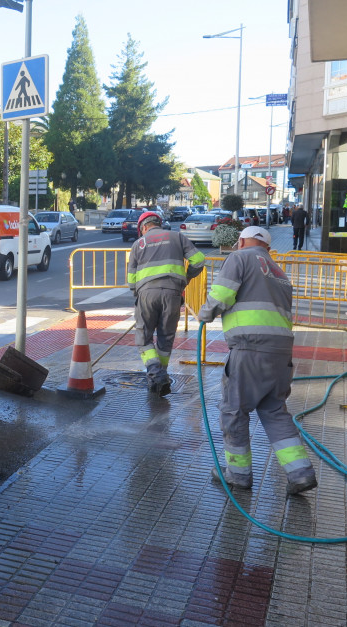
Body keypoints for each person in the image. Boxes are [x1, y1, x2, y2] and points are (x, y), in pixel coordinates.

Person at [197, 226, 317, 496]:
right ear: (269, 248)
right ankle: (300, 474)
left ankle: (238, 474)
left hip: (250, 349)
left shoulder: (239, 258)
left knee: (234, 411)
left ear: (241, 241)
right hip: (281, 353)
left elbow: (222, 295)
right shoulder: (279, 272)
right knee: (274, 412)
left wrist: (205, 313)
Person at [127, 211, 205, 396]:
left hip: (147, 293)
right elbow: (199, 260)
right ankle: (159, 377)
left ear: (143, 228)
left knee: (144, 338)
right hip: (173, 293)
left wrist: (138, 295)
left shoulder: (139, 244)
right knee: (165, 337)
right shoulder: (177, 237)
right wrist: (185, 278)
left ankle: (156, 374)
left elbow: (131, 280)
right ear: (158, 223)